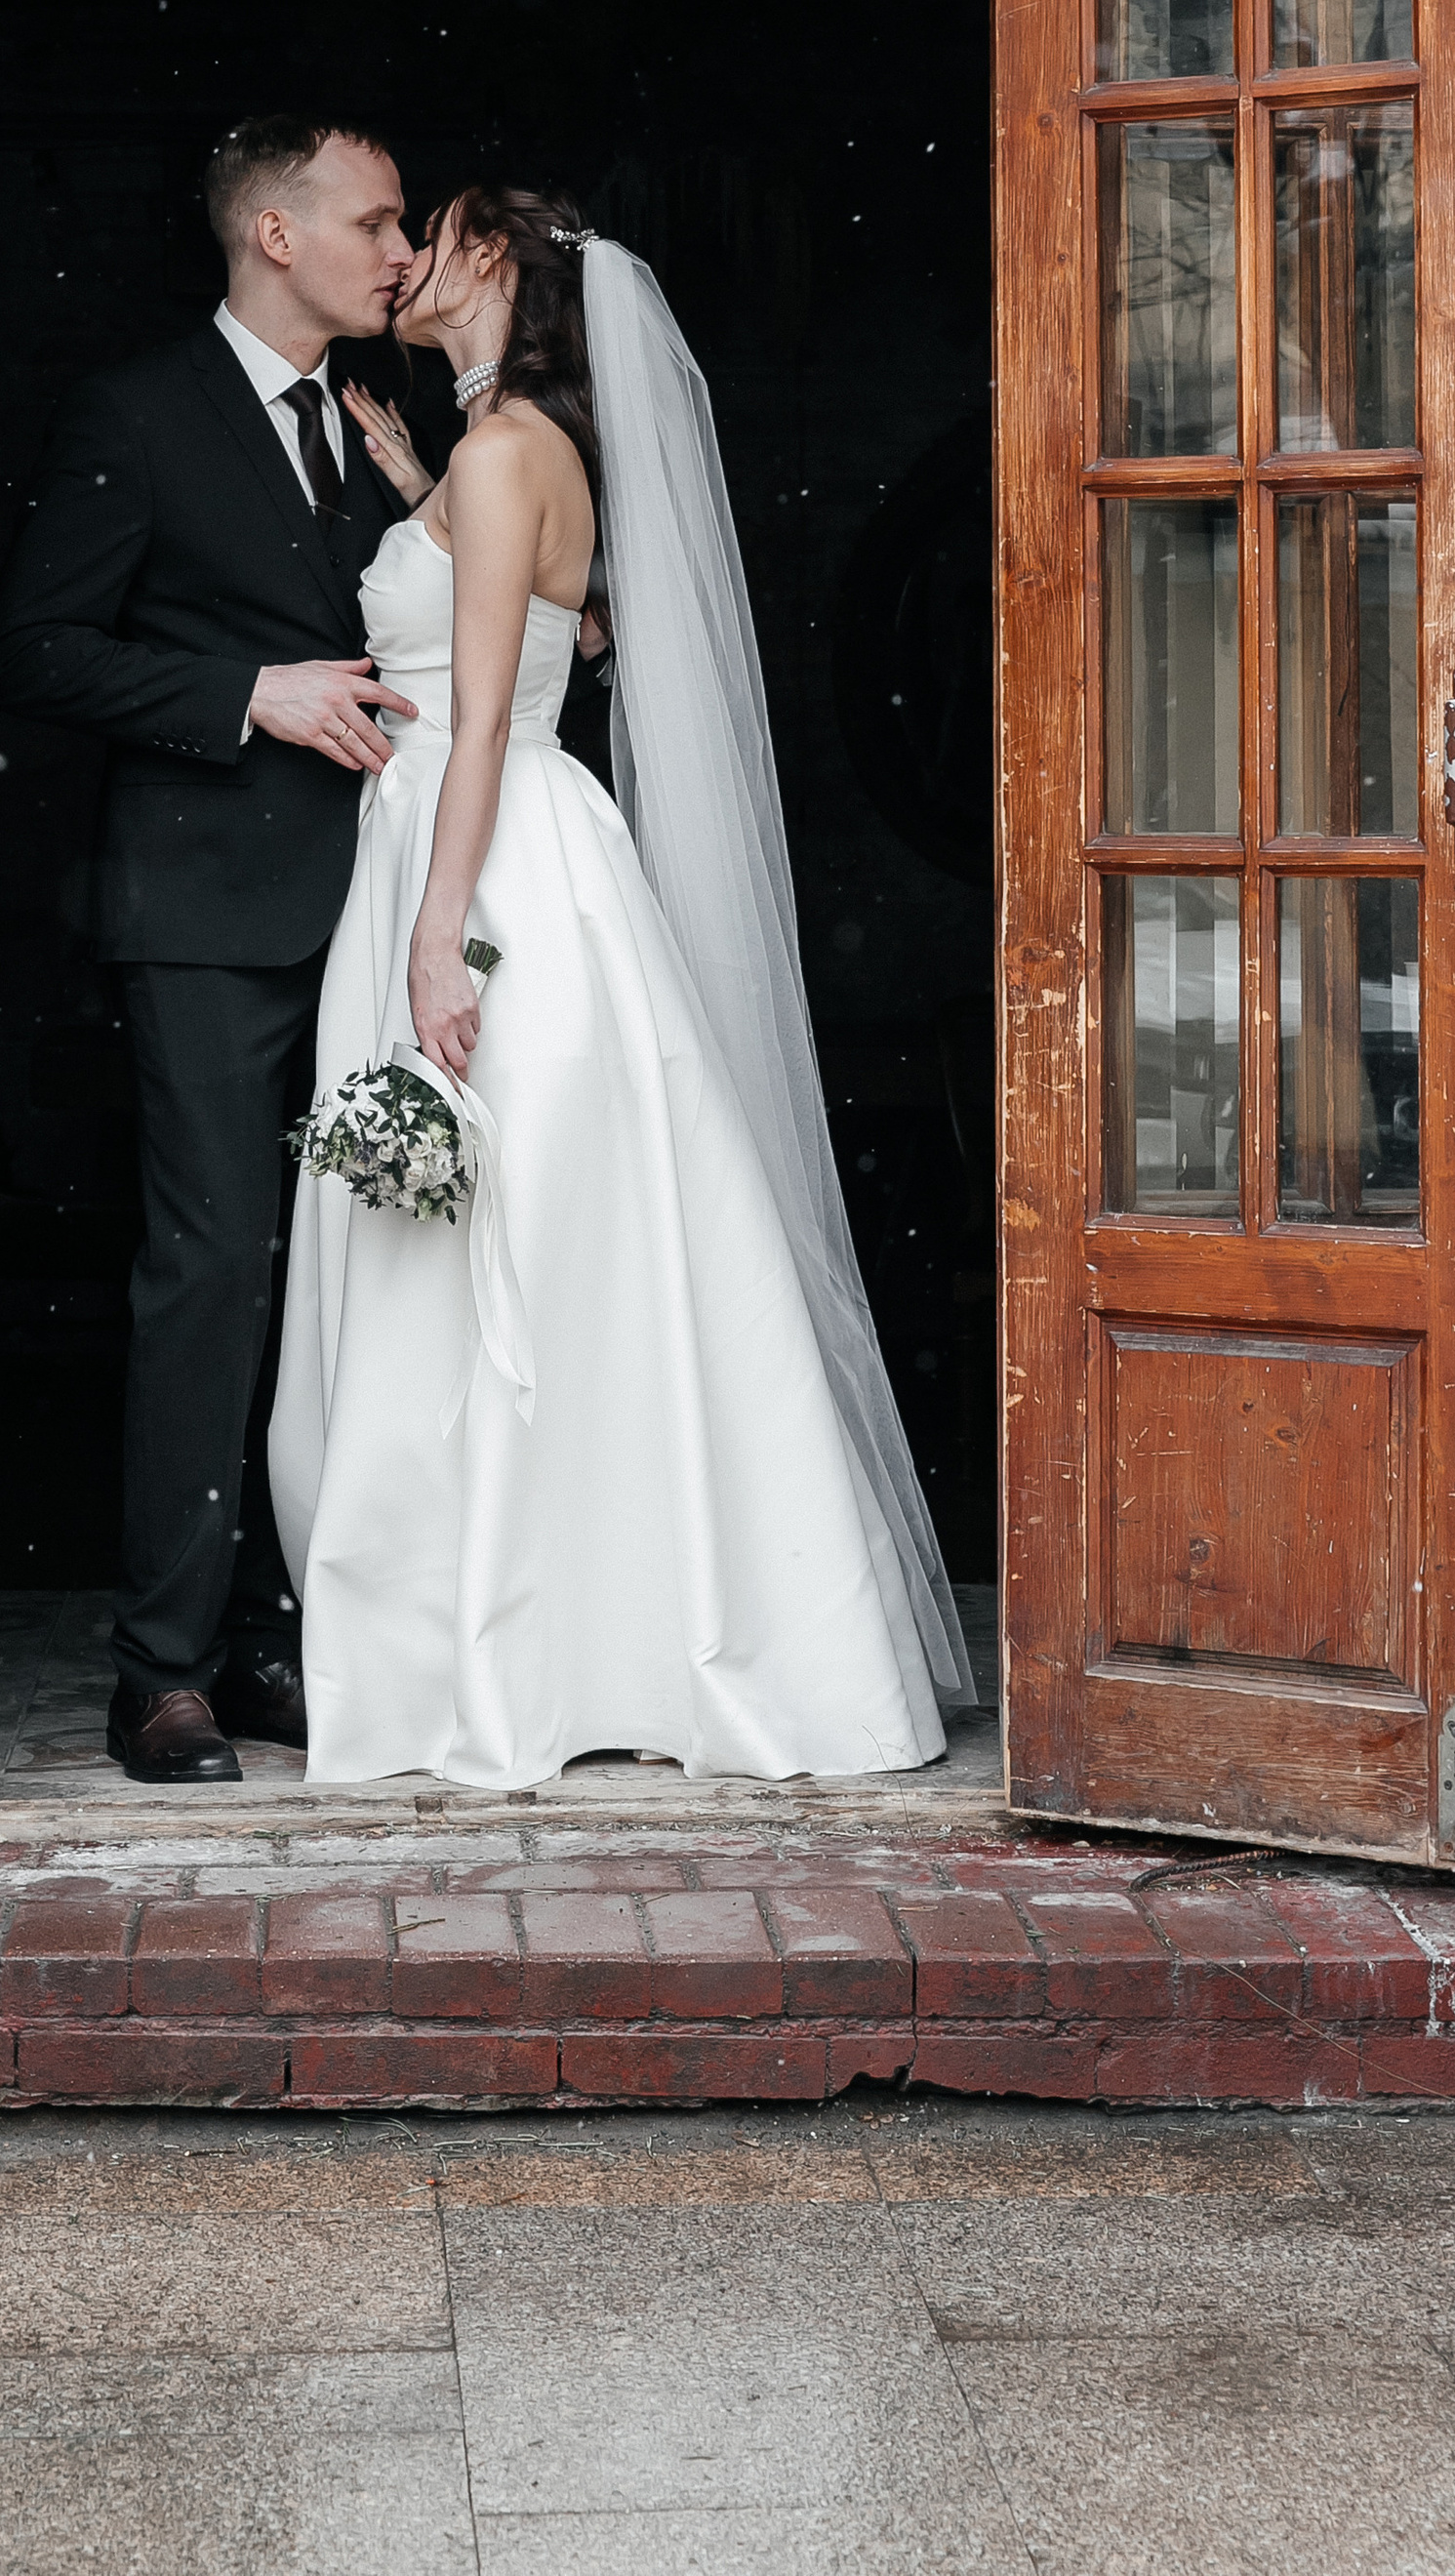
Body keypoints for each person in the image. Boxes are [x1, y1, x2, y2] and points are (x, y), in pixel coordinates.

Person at [270, 184, 974, 1785]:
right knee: (573, 1248)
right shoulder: (504, 455)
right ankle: (602, 1622)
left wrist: (439, 934)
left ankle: (510, 1643)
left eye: (436, 233)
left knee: (483, 1250)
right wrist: (418, 496)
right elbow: (557, 642)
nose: (411, 260)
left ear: (503, 269)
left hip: (489, 858)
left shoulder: (510, 454)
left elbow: (480, 724)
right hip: (536, 852)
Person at [0, 117, 418, 1784]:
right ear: (272, 228)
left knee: (365, 1278)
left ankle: (282, 1639)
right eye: (374, 220)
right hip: (209, 919)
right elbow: (35, 648)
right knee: (214, 1270)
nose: (401, 250)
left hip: (386, 906)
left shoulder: (403, 420)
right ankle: (159, 1667)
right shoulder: (136, 410)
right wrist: (248, 696)